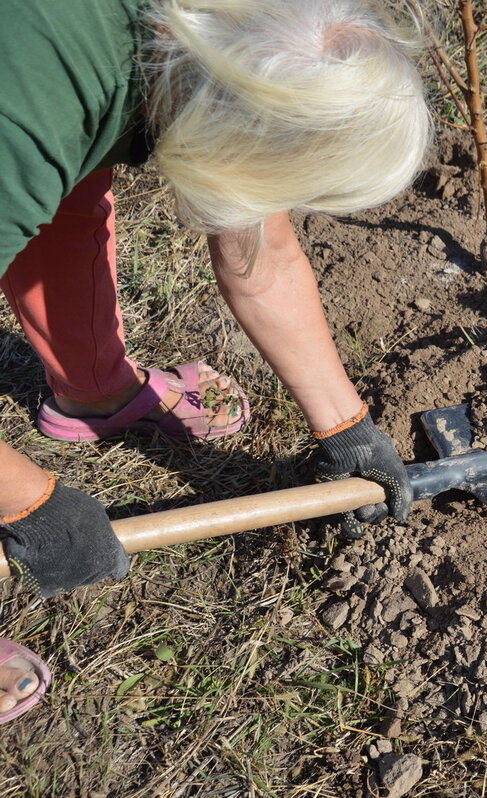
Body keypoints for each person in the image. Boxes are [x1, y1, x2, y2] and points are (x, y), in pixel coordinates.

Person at [0, 0, 432, 722]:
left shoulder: (240, 41)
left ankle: (94, 394)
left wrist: (345, 424)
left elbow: (260, 254)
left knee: (68, 186)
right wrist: (29, 504)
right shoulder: (22, 117)